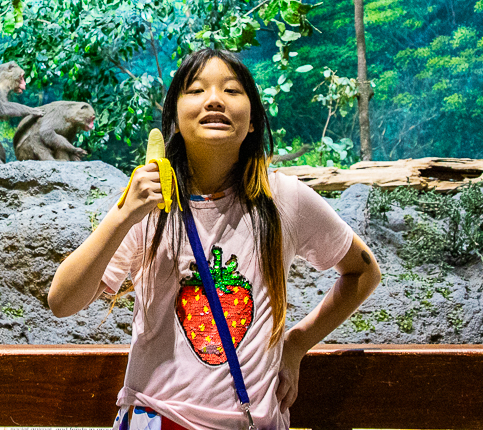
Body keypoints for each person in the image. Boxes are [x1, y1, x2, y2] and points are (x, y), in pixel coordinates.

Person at [47, 48, 381, 430]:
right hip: (159, 416)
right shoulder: (148, 202)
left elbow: (363, 272)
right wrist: (124, 215)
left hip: (250, 421)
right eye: (196, 89)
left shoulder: (284, 198)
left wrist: (296, 344)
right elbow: (62, 301)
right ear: (174, 116)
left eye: (232, 90)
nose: (215, 99)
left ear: (253, 120)